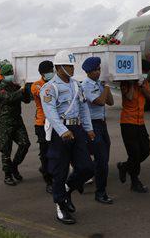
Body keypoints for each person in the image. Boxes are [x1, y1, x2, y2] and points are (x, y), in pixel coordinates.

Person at [40, 50, 95, 225]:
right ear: (58, 67)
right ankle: (60, 206)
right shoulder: (49, 88)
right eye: (68, 66)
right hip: (60, 132)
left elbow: (84, 108)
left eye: (72, 66)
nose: (71, 69)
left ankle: (67, 188)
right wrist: (62, 130)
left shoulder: (76, 85)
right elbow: (50, 112)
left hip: (76, 128)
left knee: (87, 167)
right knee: (60, 170)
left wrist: (88, 128)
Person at [117, 60, 150, 193]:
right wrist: (133, 83)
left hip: (140, 122)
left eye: (147, 73)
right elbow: (130, 97)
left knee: (145, 151)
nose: (145, 74)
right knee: (134, 153)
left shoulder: (145, 83)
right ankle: (135, 181)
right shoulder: (126, 82)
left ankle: (124, 166)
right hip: (128, 123)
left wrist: (142, 85)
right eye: (143, 71)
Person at [81, 57, 114, 204]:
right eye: (97, 70)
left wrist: (106, 87)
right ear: (89, 72)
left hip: (102, 124)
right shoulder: (86, 85)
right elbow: (100, 102)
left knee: (104, 158)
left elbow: (110, 102)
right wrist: (106, 88)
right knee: (101, 160)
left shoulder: (97, 84)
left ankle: (80, 179)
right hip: (92, 125)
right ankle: (100, 193)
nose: (99, 72)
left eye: (100, 69)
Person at [0, 64, 31, 186]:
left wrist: (25, 89)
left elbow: (26, 100)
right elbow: (8, 98)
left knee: (25, 144)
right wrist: (20, 91)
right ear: (3, 75)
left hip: (17, 120)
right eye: (9, 73)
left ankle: (14, 166)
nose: (11, 75)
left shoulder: (16, 86)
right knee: (6, 149)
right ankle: (7, 175)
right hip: (5, 122)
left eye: (12, 72)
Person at [31, 60, 55, 194]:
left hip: (55, 122)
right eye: (49, 71)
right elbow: (44, 95)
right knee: (45, 153)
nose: (51, 73)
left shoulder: (56, 82)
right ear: (42, 73)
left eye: (52, 70)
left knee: (55, 151)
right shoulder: (36, 85)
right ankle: (49, 181)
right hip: (42, 123)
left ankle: (50, 171)